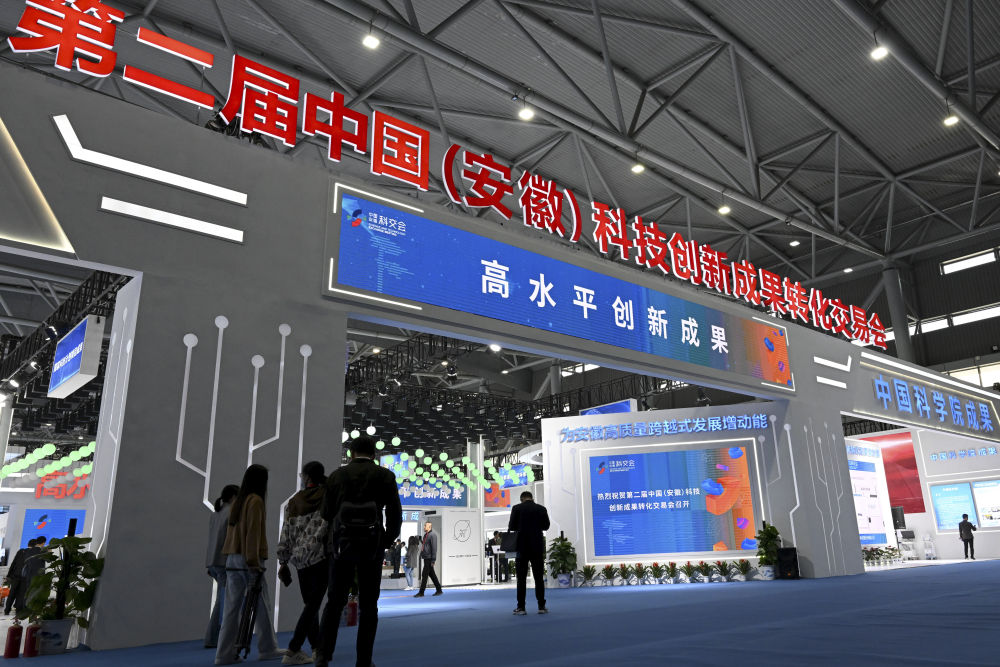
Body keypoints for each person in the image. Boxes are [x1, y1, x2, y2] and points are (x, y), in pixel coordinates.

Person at [316, 435, 401, 667]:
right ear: (374, 454)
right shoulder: (385, 476)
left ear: (351, 454)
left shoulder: (337, 476)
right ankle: (364, 659)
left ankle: (323, 654)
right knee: (369, 605)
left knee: (334, 601)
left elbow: (325, 513)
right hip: (372, 546)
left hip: (341, 546)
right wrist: (386, 540)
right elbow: (394, 513)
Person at [215, 465, 285, 665]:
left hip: (232, 559)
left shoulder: (238, 502)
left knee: (231, 609)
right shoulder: (255, 501)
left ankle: (223, 654)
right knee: (262, 605)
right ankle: (267, 648)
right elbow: (253, 533)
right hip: (248, 560)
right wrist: (254, 562)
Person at [276, 461, 329, 666]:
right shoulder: (327, 497)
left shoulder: (295, 501)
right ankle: (293, 648)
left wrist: (283, 560)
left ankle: (316, 648)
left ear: (306, 477)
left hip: (300, 561)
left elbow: (286, 532)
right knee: (313, 606)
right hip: (321, 557)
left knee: (310, 605)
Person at [205, 484, 240, 648]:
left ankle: (215, 637)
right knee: (224, 601)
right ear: (233, 496)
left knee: (222, 599)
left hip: (213, 561)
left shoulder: (216, 514)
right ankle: (215, 638)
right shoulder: (232, 512)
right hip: (224, 561)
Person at [508, 491, 550, 615]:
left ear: (522, 499)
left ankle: (521, 607)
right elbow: (546, 526)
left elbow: (512, 526)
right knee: (538, 578)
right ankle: (541, 606)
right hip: (537, 547)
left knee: (521, 579)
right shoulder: (541, 509)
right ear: (532, 498)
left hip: (521, 547)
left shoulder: (516, 508)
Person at [4, 539, 34, 615]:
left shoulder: (21, 551)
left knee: (12, 593)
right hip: (24, 577)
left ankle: (7, 610)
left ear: (28, 544)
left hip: (15, 576)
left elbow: (13, 563)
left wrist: (9, 575)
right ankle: (18, 611)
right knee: (21, 594)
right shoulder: (33, 553)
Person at [414, 521, 443, 598]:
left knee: (424, 574)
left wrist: (433, 560)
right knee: (432, 574)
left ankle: (421, 592)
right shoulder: (425, 535)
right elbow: (425, 545)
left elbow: (434, 548)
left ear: (429, 527)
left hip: (429, 558)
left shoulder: (433, 535)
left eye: (425, 526)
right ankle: (439, 590)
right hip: (426, 557)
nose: (424, 527)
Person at [19, 535, 47, 611]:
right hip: (38, 576)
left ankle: (26, 608)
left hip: (29, 574)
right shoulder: (43, 551)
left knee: (28, 591)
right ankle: (35, 609)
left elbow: (26, 561)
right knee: (37, 592)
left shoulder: (28, 551)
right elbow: (49, 560)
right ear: (43, 543)